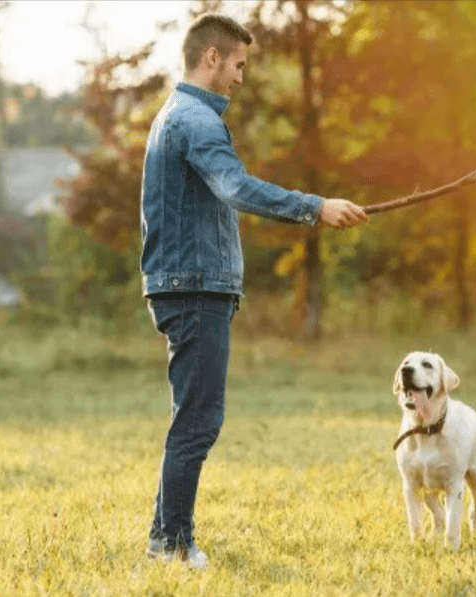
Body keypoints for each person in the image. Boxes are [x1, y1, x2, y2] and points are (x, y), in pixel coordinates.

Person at [140, 13, 368, 568]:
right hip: (195, 289)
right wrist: (315, 207)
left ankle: (164, 538)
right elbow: (236, 188)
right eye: (238, 64)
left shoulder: (179, 116)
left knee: (191, 418)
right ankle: (171, 546)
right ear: (212, 58)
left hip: (190, 286)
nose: (242, 76)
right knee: (198, 422)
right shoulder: (195, 120)